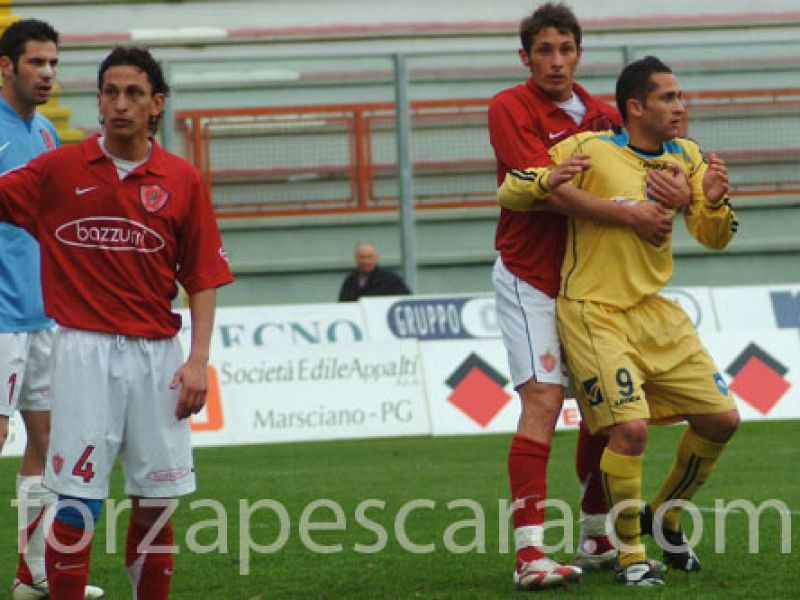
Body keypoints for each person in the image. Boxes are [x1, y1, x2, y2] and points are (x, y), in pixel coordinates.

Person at [0, 45, 233, 599]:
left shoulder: (182, 180)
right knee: (78, 501)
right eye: (110, 92)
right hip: (81, 351)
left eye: (133, 93)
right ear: (99, 101)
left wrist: (198, 361)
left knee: (156, 504)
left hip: (158, 356)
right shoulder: (58, 171)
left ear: (157, 104)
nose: (120, 103)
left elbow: (201, 277)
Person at [498, 55, 740, 587]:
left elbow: (715, 236)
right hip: (594, 311)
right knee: (628, 431)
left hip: (655, 313)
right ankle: (630, 552)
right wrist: (547, 183)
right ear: (636, 107)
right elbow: (511, 190)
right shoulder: (591, 148)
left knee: (722, 420)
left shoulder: (690, 157)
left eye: (681, 97)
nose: (681, 107)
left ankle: (666, 518)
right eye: (668, 98)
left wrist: (713, 204)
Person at [487, 3, 683, 590]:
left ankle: (597, 532)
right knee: (544, 402)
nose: (555, 61)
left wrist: (676, 189)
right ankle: (529, 555)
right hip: (530, 277)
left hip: (587, 285)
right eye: (543, 50)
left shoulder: (602, 114)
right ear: (525, 57)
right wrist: (628, 215)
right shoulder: (510, 107)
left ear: (579, 53)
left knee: (606, 407)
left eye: (565, 49)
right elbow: (541, 192)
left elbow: (645, 166)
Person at [0, 19, 104, 600]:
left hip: (40, 316)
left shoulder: (44, 135)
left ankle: (32, 572)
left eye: (54, 63)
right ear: (6, 66)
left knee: (47, 441)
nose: (47, 73)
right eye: (36, 62)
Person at [338, 241, 410, 301]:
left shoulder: (391, 280)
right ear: (356, 259)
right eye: (362, 257)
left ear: (376, 258)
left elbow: (406, 301)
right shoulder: (350, 281)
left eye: (369, 257)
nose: (365, 261)